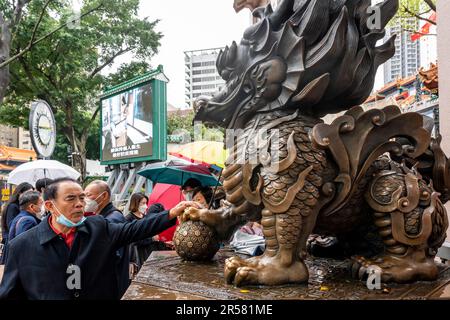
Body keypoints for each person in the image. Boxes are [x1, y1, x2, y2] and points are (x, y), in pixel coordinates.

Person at [0, 178, 199, 299]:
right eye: (71, 199)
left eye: (82, 198)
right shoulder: (22, 246)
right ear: (50, 206)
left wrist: (171, 213)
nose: (80, 204)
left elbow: (135, 229)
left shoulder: (99, 228)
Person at [84, 180, 129, 297]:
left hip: (111, 283)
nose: (84, 200)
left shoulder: (112, 219)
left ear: (103, 196)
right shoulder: (104, 216)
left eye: (88, 195)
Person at [0, 183, 34, 264]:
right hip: (11, 242)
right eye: (28, 193)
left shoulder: (20, 205)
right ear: (20, 193)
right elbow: (11, 225)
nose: (30, 195)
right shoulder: (13, 206)